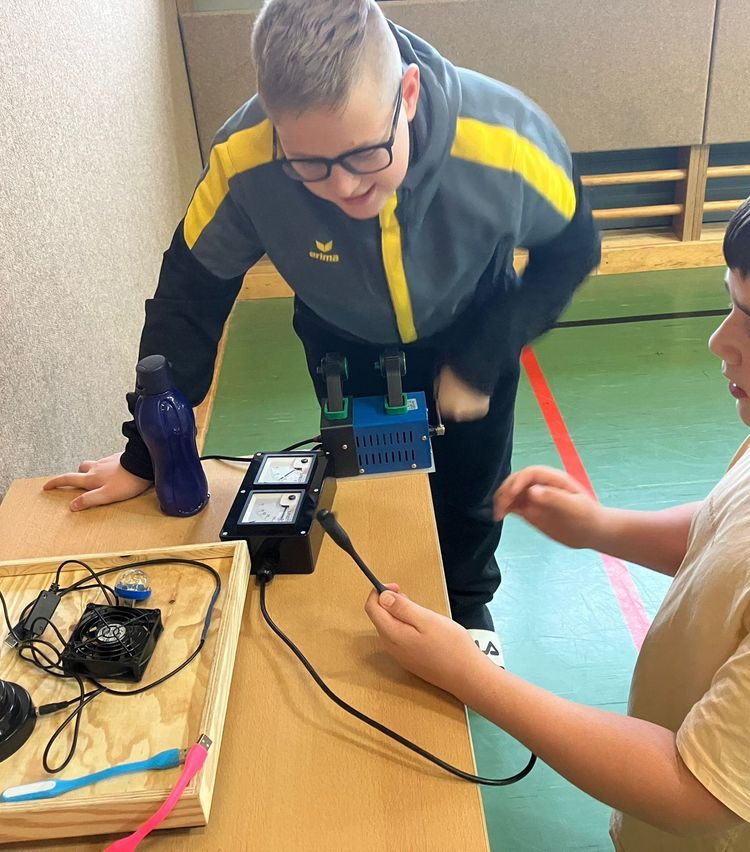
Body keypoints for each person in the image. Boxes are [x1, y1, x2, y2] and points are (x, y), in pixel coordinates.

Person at [43, 0, 599, 632]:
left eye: (364, 155)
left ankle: (469, 607)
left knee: (470, 491)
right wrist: (146, 457)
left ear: (408, 95)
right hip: (345, 347)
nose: (342, 188)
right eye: (308, 164)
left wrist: (486, 351)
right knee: (365, 487)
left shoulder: (507, 140)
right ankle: (383, 594)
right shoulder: (245, 160)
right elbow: (188, 298)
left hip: (472, 336)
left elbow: (574, 248)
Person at [365, 138, 750, 849]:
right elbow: (732, 536)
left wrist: (473, 677)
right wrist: (601, 528)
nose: (721, 342)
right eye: (731, 309)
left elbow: (697, 791)